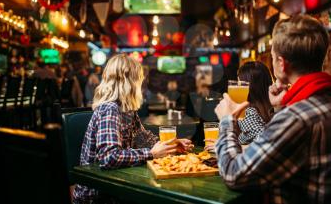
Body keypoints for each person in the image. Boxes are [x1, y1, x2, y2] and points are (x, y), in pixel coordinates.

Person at [214, 15, 331, 204]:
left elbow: (234, 174)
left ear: (281, 63)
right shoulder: (315, 104)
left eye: (273, 56)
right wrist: (281, 107)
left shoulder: (296, 119)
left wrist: (227, 122)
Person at [73, 54, 193, 203]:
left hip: (117, 184)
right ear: (128, 81)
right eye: (139, 79)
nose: (141, 84)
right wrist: (151, 154)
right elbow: (108, 158)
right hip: (98, 195)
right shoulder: (110, 109)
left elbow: (145, 139)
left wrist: (171, 145)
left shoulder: (127, 109)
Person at [205, 61, 273, 149]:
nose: (238, 85)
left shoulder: (248, 112)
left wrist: (228, 146)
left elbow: (265, 146)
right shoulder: (271, 108)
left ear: (250, 87)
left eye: (240, 82)